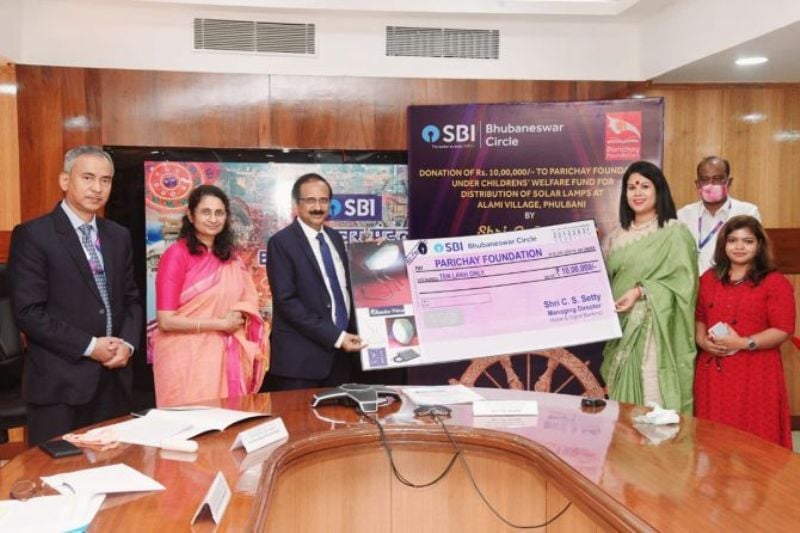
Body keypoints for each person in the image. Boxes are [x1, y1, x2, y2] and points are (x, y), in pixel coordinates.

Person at [7, 146, 142, 445]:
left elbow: (131, 299)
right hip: (60, 384)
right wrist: (90, 346)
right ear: (65, 180)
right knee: (57, 470)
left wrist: (128, 344)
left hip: (113, 380)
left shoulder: (118, 235)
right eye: (88, 178)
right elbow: (28, 313)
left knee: (111, 466)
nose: (97, 188)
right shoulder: (34, 235)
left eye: (105, 180)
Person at [152, 185, 268, 407]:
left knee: (223, 420)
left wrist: (239, 315)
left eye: (219, 213)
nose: (213, 219)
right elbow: (166, 321)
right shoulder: (176, 255)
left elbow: (247, 300)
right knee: (189, 422)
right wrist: (220, 324)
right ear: (191, 216)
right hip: (183, 358)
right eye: (206, 212)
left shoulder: (231, 258)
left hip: (223, 354)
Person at [601, 161, 698, 414]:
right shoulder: (615, 236)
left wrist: (641, 291)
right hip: (620, 328)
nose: (637, 192)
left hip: (655, 330)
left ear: (658, 190)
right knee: (621, 406)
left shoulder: (674, 232)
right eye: (631, 187)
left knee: (651, 397)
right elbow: (606, 283)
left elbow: (685, 284)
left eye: (645, 186)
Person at [694, 215, 795, 448]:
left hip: (756, 373)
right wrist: (702, 340)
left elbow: (783, 329)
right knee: (714, 443)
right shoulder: (709, 279)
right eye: (733, 240)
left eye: (748, 241)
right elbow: (699, 316)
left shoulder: (774, 282)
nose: (739, 247)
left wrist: (742, 343)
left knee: (757, 443)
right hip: (714, 374)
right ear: (724, 244)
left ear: (759, 245)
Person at [263, 173, 365, 391]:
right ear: (296, 204)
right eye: (310, 200)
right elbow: (287, 302)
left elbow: (344, 290)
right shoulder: (281, 243)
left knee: (339, 414)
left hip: (340, 360)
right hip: (300, 364)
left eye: (323, 200)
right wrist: (337, 337)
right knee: (299, 415)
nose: (318, 207)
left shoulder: (335, 238)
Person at [677, 156, 761, 274]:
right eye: (705, 179)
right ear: (697, 184)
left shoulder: (747, 212)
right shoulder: (683, 215)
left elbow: (752, 255)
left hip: (729, 280)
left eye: (717, 179)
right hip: (690, 281)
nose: (710, 184)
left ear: (729, 182)